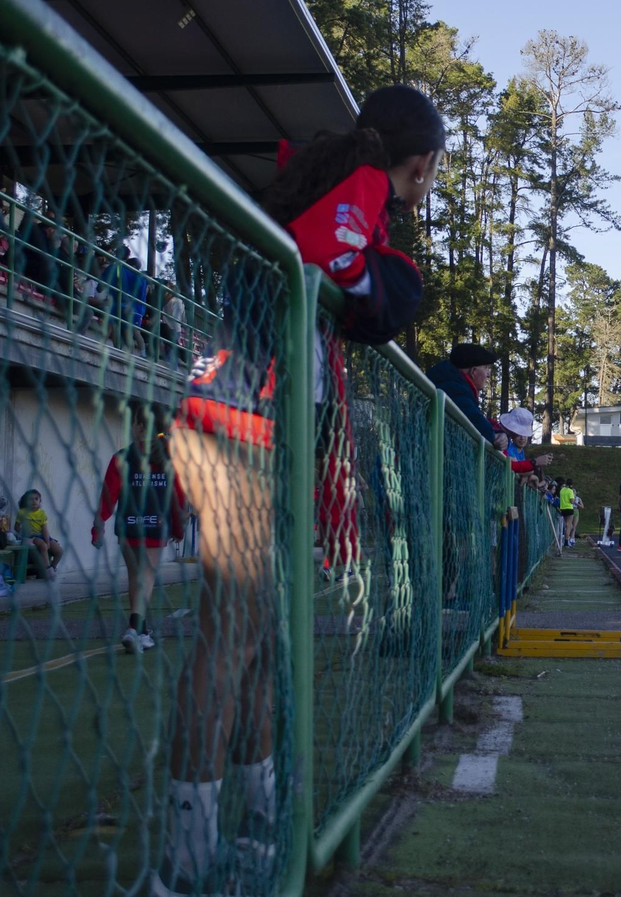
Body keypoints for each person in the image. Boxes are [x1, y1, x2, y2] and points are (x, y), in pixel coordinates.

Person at [153, 84, 441, 897]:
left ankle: (252, 828)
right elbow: (328, 253)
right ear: (419, 162)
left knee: (265, 643)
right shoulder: (366, 186)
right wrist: (372, 286)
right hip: (233, 421)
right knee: (233, 636)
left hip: (260, 426)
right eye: (430, 171)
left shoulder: (353, 184)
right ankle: (184, 864)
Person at [92, 404, 187, 653]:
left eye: (133, 422)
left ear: (141, 427)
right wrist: (179, 528)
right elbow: (178, 498)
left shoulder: (122, 457)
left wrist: (98, 528)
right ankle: (134, 628)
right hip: (156, 525)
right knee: (146, 577)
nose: (131, 426)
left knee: (136, 577)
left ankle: (142, 631)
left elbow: (108, 497)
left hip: (128, 525)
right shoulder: (170, 459)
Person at [425, 343, 507, 450]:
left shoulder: (449, 381)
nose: (488, 374)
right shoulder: (454, 388)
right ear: (473, 371)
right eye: (486, 368)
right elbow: (474, 421)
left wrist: (498, 433)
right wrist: (494, 435)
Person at [16, 489, 64, 579]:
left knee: (59, 551)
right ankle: (47, 569)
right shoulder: (22, 512)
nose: (34, 501)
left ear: (40, 501)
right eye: (30, 499)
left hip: (41, 534)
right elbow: (16, 527)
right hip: (30, 536)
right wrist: (23, 530)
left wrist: (48, 541)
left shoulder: (42, 513)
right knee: (43, 546)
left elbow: (45, 530)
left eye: (36, 499)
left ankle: (52, 569)